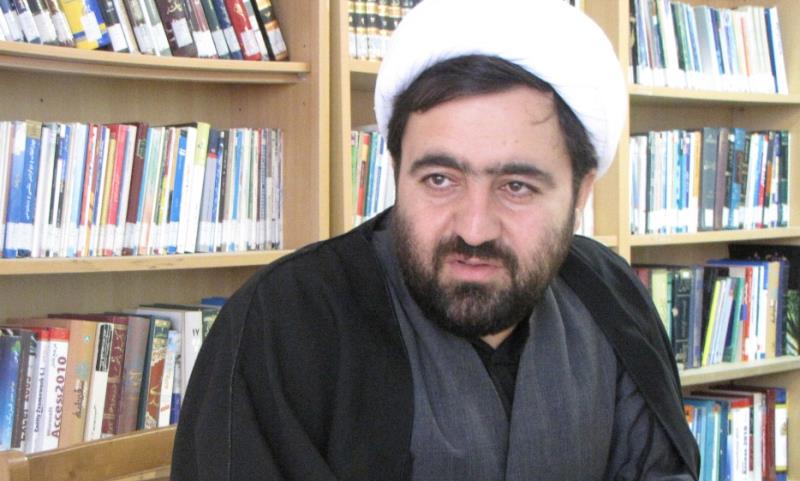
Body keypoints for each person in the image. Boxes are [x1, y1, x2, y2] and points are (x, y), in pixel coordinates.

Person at [171, 0, 700, 479]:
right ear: (396, 170)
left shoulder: (609, 298)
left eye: (516, 187)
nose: (474, 228)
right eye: (440, 180)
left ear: (581, 190)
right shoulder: (288, 321)